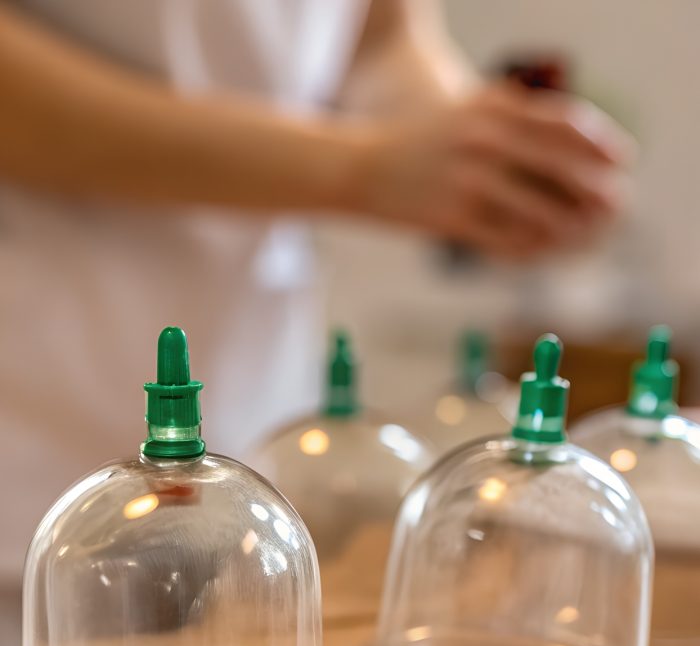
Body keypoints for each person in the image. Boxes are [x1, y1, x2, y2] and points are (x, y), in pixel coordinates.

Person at [0, 0, 631, 601]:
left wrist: (487, 161)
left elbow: (381, 37)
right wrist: (361, 168)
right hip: (31, 428)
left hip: (255, 426)